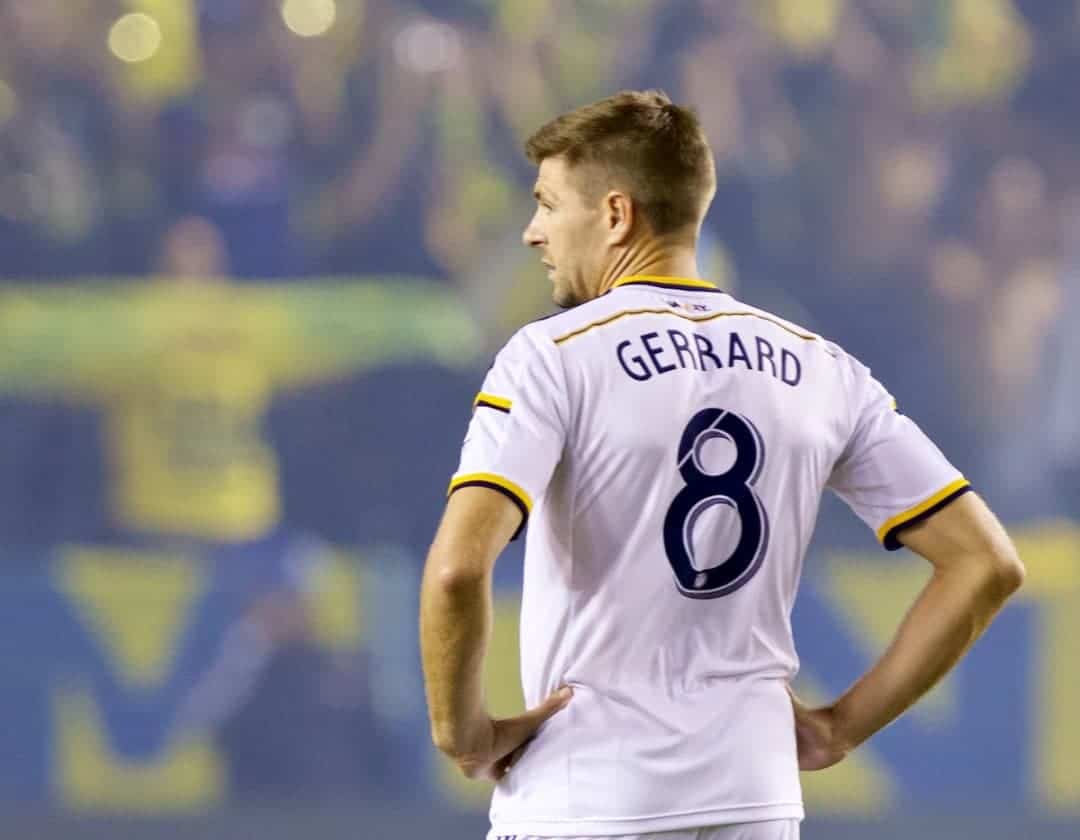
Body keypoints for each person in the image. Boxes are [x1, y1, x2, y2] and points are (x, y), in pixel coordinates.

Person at [419, 90, 1024, 840]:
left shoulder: (552, 357)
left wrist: (462, 733)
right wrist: (840, 728)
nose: (531, 231)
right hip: (754, 799)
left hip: (587, 797)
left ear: (615, 215)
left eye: (547, 204)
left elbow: (456, 570)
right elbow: (985, 564)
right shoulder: (821, 366)